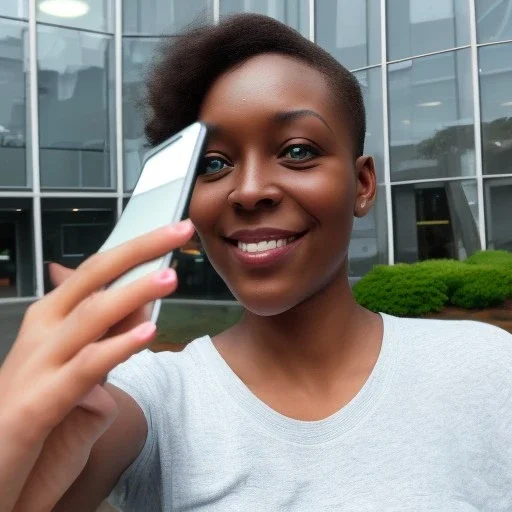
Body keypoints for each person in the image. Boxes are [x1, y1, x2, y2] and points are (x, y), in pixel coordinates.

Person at [1, 13, 511, 512]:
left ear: (362, 185)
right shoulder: (153, 397)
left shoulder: (486, 367)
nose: (247, 192)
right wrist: (17, 431)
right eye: (214, 164)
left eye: (296, 151)